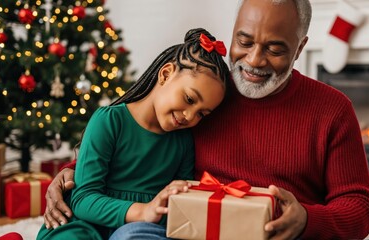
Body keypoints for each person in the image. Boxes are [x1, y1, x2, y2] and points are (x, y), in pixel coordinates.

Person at [44, 0, 369, 239]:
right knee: (134, 234)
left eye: (275, 49)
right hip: (196, 229)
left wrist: (306, 221)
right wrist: (70, 176)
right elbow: (138, 142)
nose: (254, 60)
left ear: (300, 48)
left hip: (276, 235)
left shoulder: (332, 109)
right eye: (244, 42)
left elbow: (359, 208)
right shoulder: (210, 94)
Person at [36, 27, 230, 240]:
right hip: (85, 224)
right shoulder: (109, 121)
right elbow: (84, 199)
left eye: (201, 114)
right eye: (189, 99)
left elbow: (180, 205)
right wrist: (143, 210)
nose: (190, 116)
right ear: (166, 74)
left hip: (142, 230)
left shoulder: (183, 142)